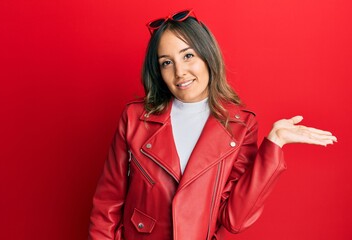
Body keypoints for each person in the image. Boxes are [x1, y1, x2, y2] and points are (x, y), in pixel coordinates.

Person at [88, 9, 337, 240]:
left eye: (188, 56)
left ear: (208, 56)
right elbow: (107, 205)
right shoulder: (135, 118)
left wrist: (274, 145)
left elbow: (234, 219)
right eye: (167, 62)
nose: (180, 72)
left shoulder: (240, 125)